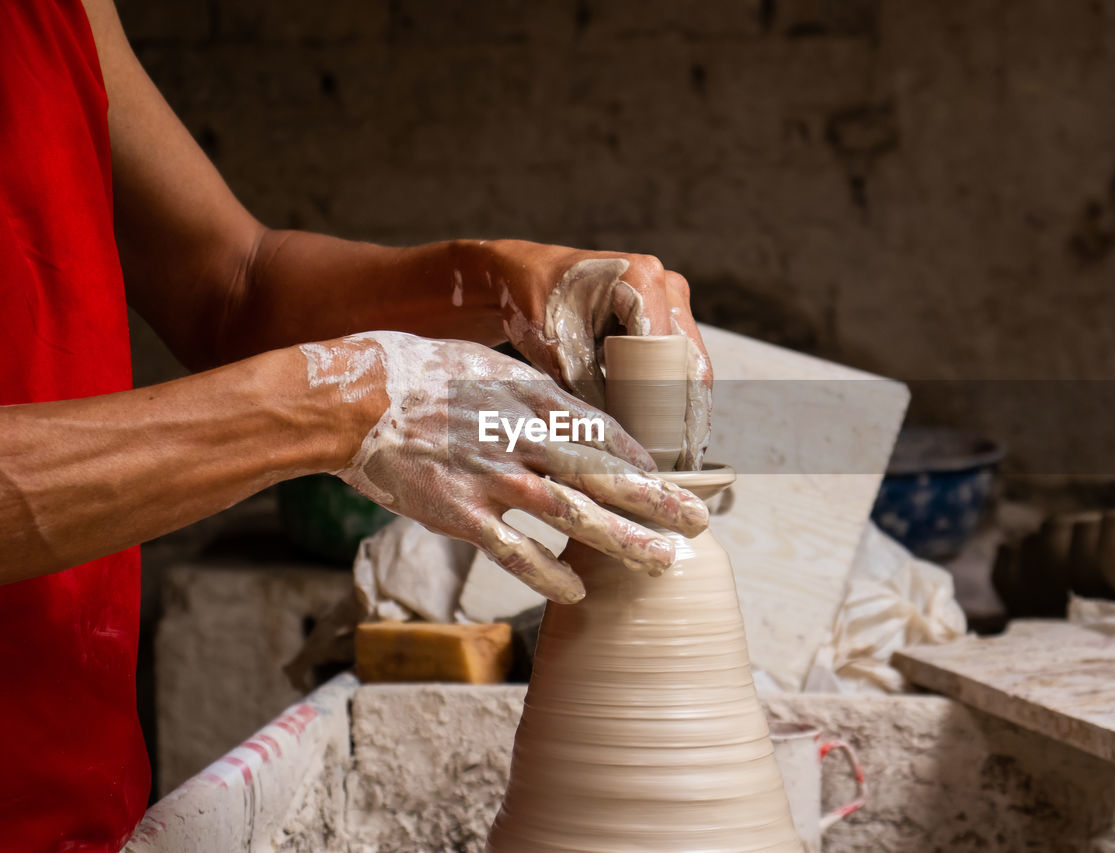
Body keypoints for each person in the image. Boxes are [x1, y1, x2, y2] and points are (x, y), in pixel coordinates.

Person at [0, 1, 713, 849]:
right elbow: (334, 388)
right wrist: (346, 403)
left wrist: (503, 280)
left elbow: (235, 286)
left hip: (67, 778)